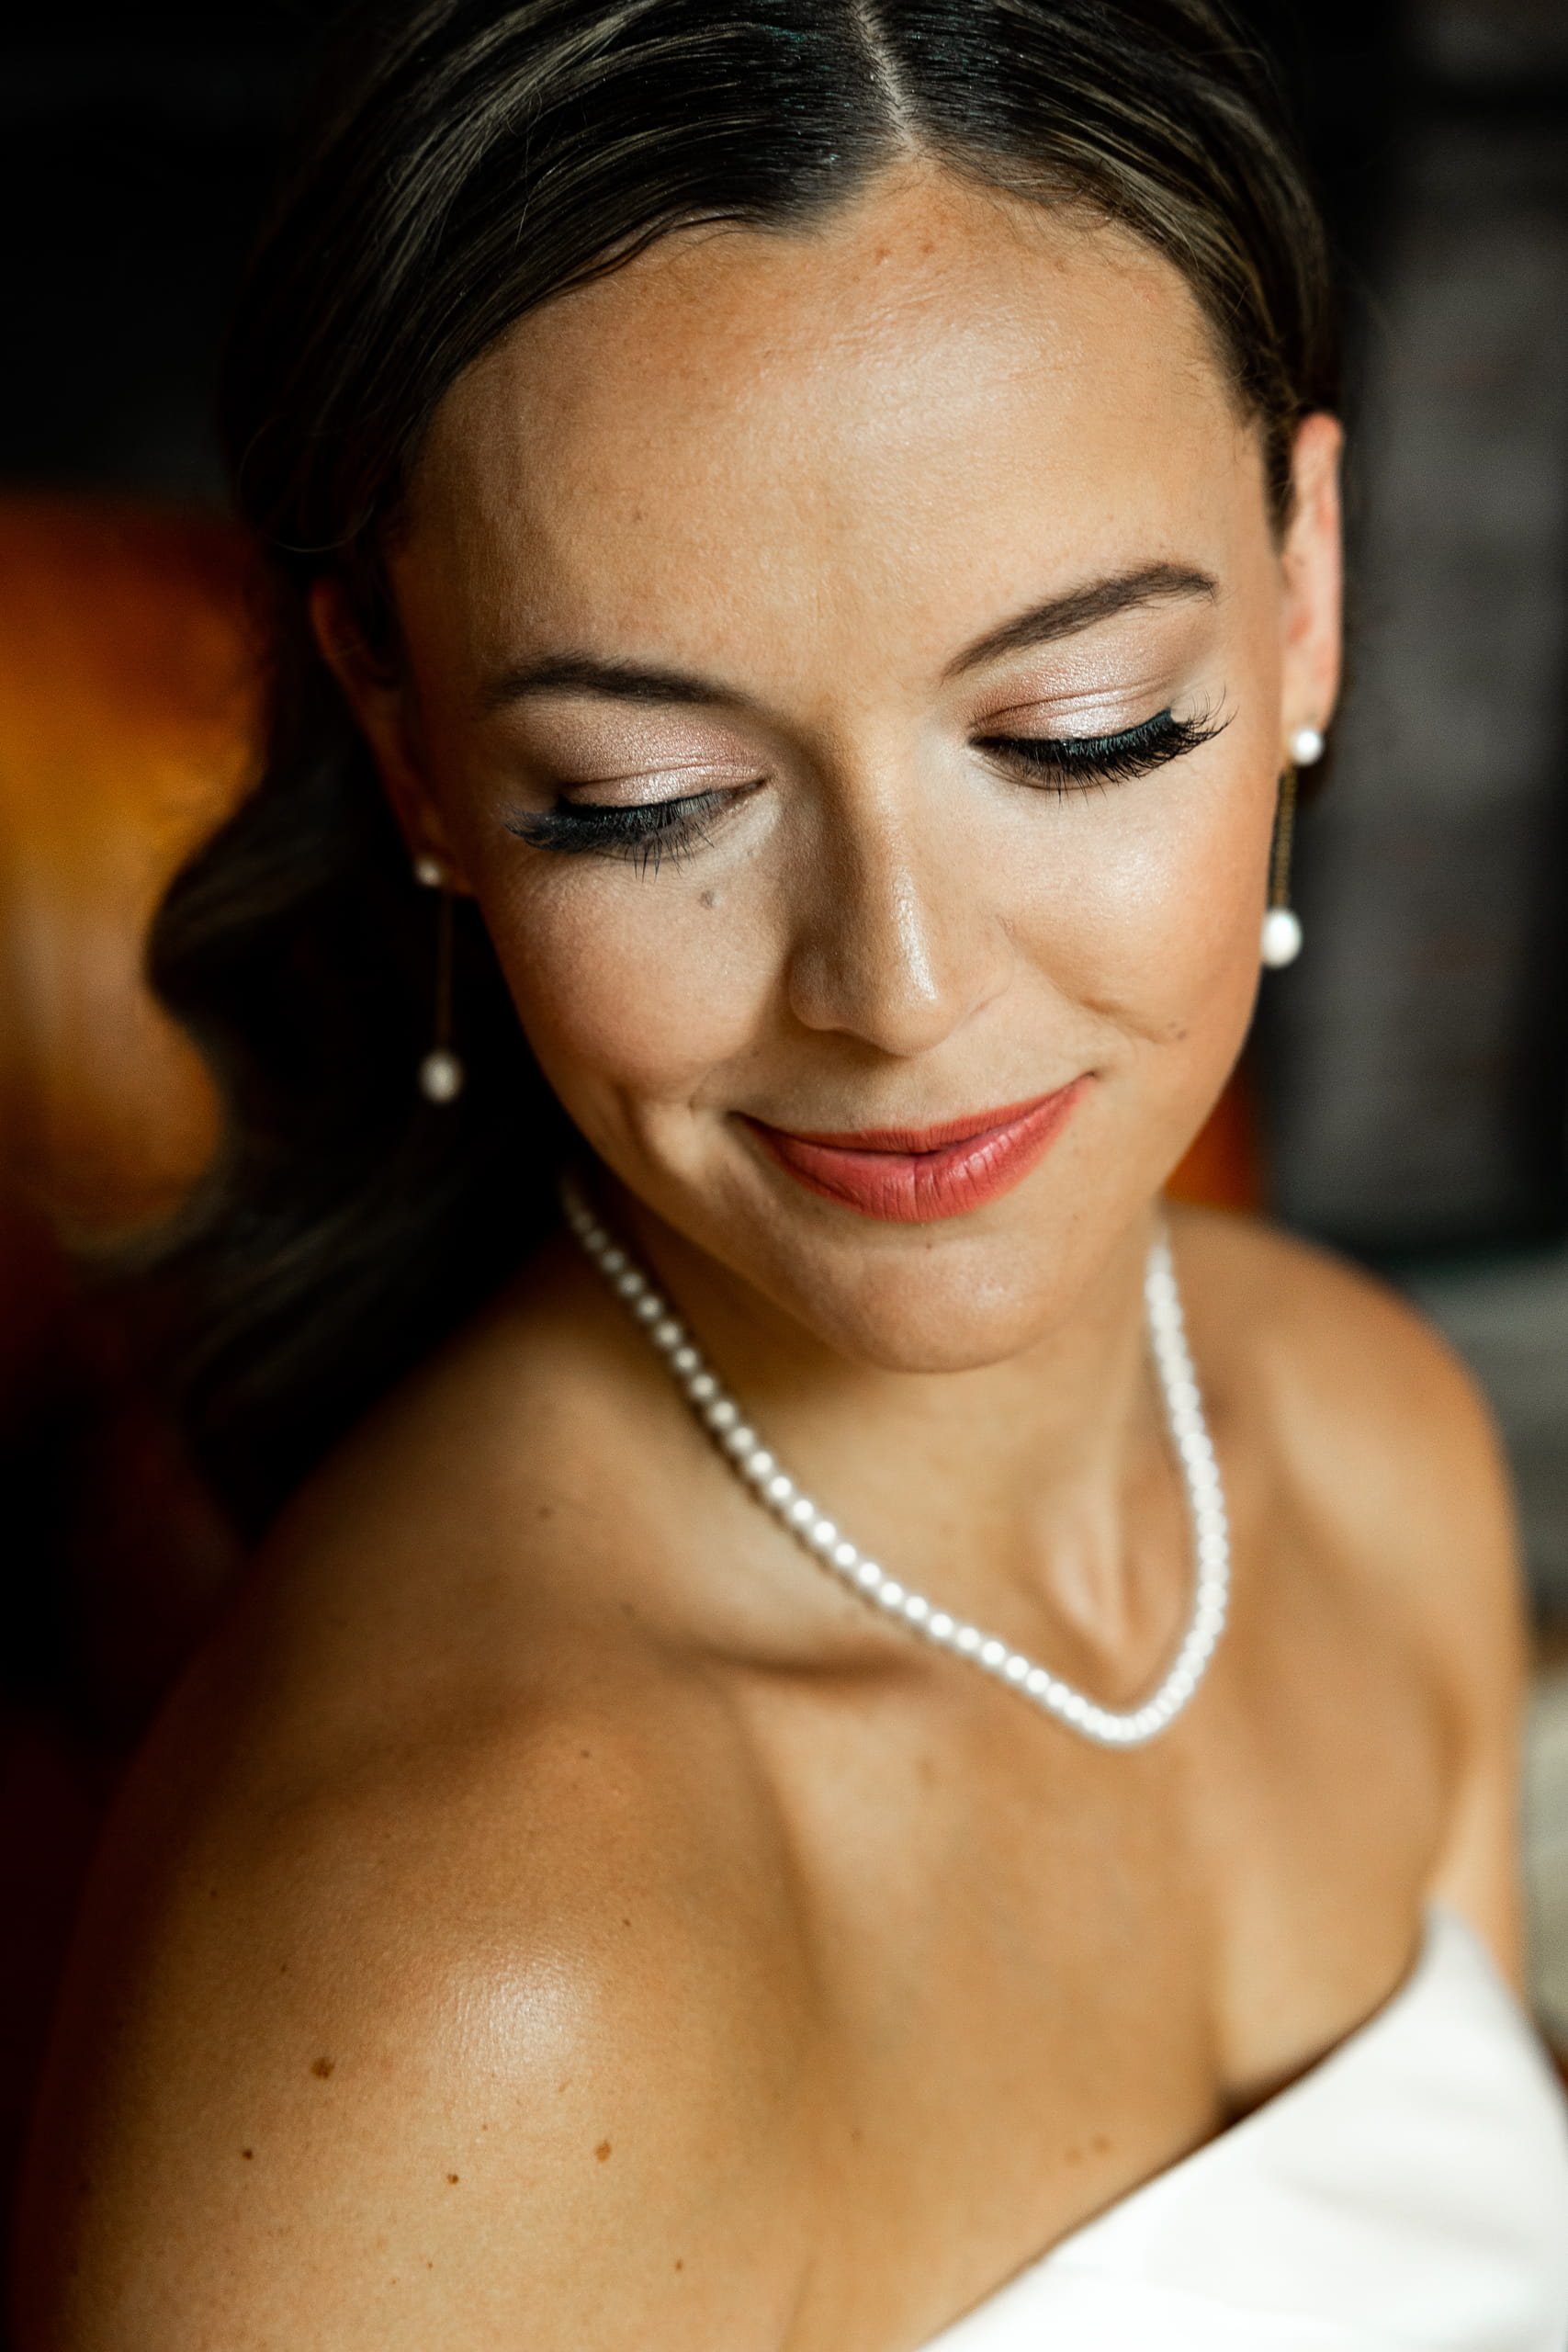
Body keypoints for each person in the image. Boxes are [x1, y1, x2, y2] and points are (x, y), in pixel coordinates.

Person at [15, 3, 1568, 2346]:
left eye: (1078, 731)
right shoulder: (460, 1985)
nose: (895, 989)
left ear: (1305, 588)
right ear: (412, 747)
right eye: (646, 800)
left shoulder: (1372, 1447)